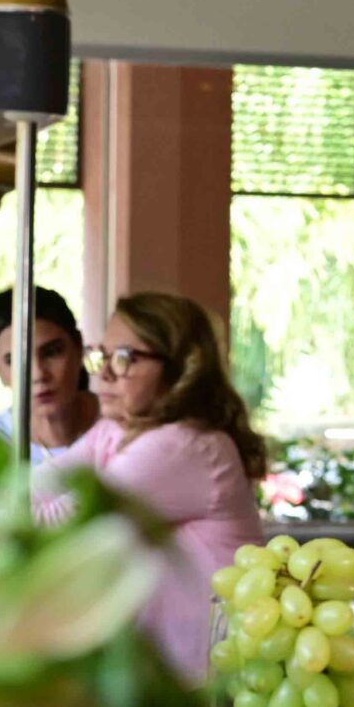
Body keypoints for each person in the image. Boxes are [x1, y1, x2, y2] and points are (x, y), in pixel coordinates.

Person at [35, 291, 266, 680]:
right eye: (103, 355)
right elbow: (31, 489)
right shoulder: (115, 431)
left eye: (125, 358)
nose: (104, 374)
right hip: (173, 675)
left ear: (179, 369)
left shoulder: (184, 446)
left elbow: (60, 527)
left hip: (217, 684)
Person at [0, 286, 101, 490]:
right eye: (15, 361)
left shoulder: (123, 425)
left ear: (78, 347)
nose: (38, 374)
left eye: (52, 352)